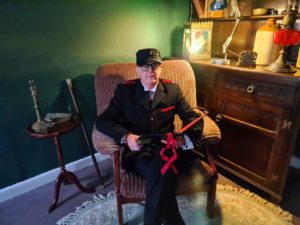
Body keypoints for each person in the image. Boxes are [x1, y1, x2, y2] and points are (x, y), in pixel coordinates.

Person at [95, 48, 203, 225]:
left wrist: (184, 139)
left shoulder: (172, 89)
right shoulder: (124, 92)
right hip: (138, 153)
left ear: (161, 68)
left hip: (168, 149)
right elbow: (103, 121)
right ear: (137, 69)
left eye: (155, 66)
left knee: (161, 166)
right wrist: (126, 137)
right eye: (145, 67)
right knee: (162, 172)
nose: (151, 71)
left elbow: (193, 118)